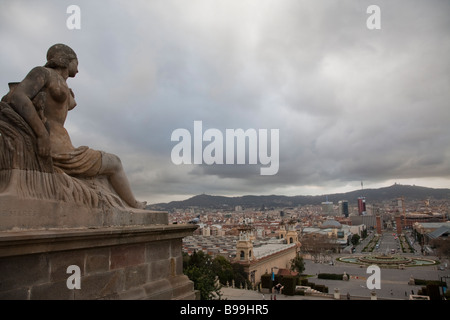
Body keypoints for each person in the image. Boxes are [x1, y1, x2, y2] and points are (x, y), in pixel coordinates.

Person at [8, 44, 146, 209]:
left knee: (112, 165)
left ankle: (129, 204)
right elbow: (18, 97)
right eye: (76, 63)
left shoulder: (62, 83)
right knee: (115, 163)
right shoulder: (43, 73)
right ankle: (133, 205)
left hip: (63, 144)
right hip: (56, 146)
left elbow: (65, 105)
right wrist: (41, 134)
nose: (78, 70)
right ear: (66, 60)